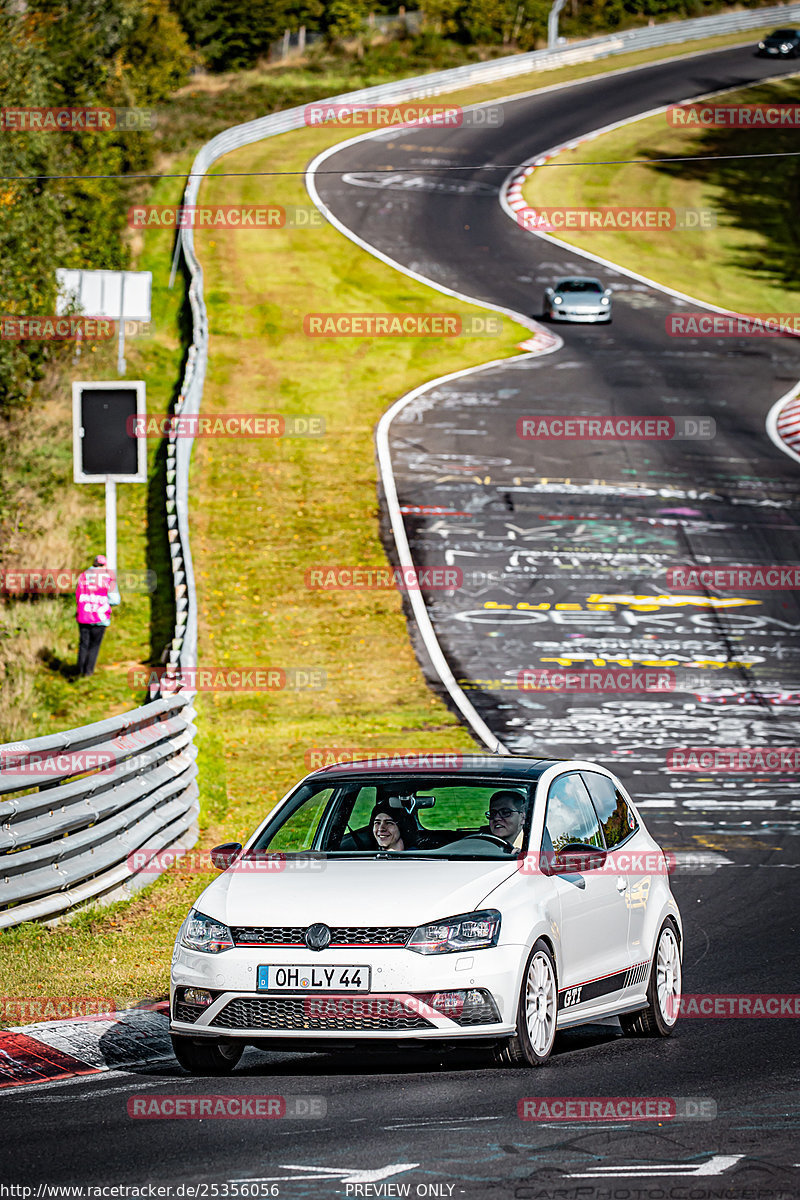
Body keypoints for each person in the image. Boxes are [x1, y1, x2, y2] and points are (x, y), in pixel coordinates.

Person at [75, 554, 119, 677]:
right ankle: (88, 672)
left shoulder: (83, 575)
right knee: (94, 645)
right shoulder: (108, 577)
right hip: (100, 616)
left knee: (83, 643)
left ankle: (79, 670)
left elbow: (78, 594)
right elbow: (115, 599)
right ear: (105, 565)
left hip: (84, 614)